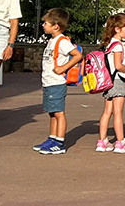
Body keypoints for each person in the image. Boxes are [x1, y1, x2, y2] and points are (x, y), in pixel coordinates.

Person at [33, 8, 82, 155]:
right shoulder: (52, 41)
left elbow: (77, 55)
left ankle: (59, 142)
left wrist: (63, 68)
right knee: (52, 112)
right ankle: (52, 138)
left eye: (46, 23)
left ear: (56, 26)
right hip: (48, 82)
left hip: (56, 82)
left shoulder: (62, 41)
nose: (43, 25)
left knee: (59, 113)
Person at [96, 13, 125, 154]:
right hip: (118, 81)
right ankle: (120, 142)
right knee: (118, 112)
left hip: (109, 81)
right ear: (117, 29)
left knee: (107, 112)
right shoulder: (118, 45)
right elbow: (118, 65)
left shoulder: (109, 44)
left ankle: (102, 142)